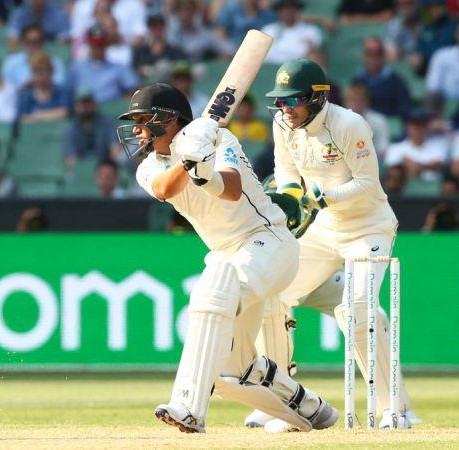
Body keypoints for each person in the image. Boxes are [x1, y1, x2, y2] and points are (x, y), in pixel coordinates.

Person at [119, 82, 338, 433]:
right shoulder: (149, 167)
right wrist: (190, 161)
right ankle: (310, 410)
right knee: (231, 373)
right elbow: (165, 189)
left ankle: (188, 407)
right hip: (230, 254)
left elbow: (233, 190)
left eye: (143, 119)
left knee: (211, 289)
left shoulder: (222, 140)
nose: (136, 129)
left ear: (169, 120)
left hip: (269, 242)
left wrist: (203, 161)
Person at [244, 59, 417, 432]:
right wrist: (293, 198)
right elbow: (286, 170)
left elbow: (368, 185)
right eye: (281, 102)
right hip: (323, 229)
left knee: (357, 312)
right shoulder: (282, 124)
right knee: (272, 296)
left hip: (368, 228)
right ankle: (283, 403)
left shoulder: (349, 125)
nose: (286, 109)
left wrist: (319, 198)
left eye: (293, 101)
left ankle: (395, 410)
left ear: (316, 98)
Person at [66, 24, 139, 102]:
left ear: (106, 44)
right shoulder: (77, 68)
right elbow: (67, 94)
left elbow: (137, 90)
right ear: (89, 44)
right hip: (84, 111)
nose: (98, 46)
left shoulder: (119, 68)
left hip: (112, 112)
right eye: (94, 42)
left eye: (101, 43)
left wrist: (123, 101)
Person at [352, 37, 412, 119]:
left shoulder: (396, 82)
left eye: (377, 53)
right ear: (363, 56)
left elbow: (404, 110)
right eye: (369, 53)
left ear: (383, 56)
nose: (373, 58)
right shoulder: (357, 82)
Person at [384, 108, 449, 179]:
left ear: (428, 127)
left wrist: (412, 164)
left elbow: (439, 164)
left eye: (423, 125)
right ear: (407, 127)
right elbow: (393, 172)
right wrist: (424, 167)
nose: (419, 129)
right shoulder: (394, 148)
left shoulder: (438, 146)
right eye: (415, 125)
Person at [63, 89, 120, 168]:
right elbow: (71, 159)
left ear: (94, 104)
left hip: (106, 169)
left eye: (88, 103)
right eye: (82, 103)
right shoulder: (71, 127)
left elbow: (115, 150)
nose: (85, 107)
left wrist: (108, 169)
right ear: (76, 106)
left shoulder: (108, 122)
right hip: (82, 171)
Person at [1, 23, 67, 90]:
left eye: (37, 41)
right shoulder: (11, 62)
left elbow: (59, 87)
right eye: (28, 42)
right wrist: (24, 88)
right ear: (23, 43)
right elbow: (4, 89)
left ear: (43, 42)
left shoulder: (55, 62)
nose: (33, 45)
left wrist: (41, 82)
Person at [166, 0, 233, 63]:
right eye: (181, 10)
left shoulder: (203, 33)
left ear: (194, 11)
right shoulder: (171, 32)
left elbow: (229, 49)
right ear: (177, 13)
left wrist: (222, 57)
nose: (185, 15)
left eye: (188, 10)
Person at [261, 0, 323, 64]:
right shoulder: (268, 30)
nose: (288, 11)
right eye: (285, 8)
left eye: (292, 8)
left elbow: (316, 57)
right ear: (279, 11)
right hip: (268, 70)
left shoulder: (310, 31)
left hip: (297, 71)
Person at [16, 51, 70, 122]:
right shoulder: (26, 96)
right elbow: (23, 118)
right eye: (35, 72)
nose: (39, 76)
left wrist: (35, 116)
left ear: (51, 71)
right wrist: (52, 114)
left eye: (42, 72)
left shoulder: (62, 91)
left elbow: (63, 112)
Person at [132, 13, 186, 79]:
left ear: (165, 27)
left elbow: (181, 68)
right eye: (153, 26)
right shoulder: (141, 52)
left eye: (160, 25)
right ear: (149, 28)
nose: (157, 29)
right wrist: (147, 71)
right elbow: (134, 70)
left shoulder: (174, 51)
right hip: (147, 86)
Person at [343, 83, 390, 155]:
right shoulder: (336, 121)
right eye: (353, 100)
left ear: (367, 102)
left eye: (361, 100)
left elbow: (383, 149)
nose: (357, 104)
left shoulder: (379, 121)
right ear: (346, 102)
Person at [412, 0, 456, 75]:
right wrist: (418, 58)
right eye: (431, 7)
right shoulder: (424, 29)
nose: (434, 10)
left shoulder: (453, 27)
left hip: (451, 70)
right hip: (430, 71)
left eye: (437, 6)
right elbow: (420, 50)